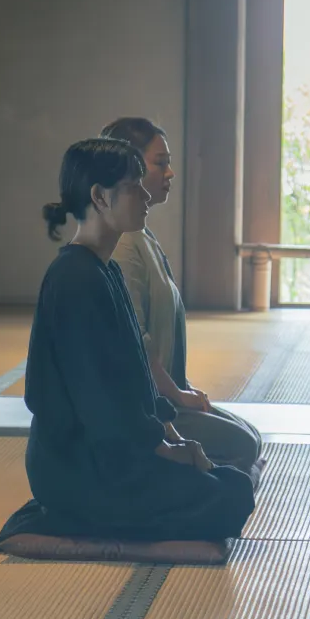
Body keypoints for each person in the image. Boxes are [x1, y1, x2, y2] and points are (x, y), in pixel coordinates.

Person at [0, 138, 255, 553]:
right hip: (81, 465)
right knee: (228, 496)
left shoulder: (104, 270)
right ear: (100, 196)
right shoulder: (76, 280)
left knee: (233, 483)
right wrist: (165, 451)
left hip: (113, 453)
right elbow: (99, 403)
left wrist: (173, 437)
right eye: (135, 186)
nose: (147, 194)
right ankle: (71, 523)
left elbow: (134, 378)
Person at [99, 117, 266, 482]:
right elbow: (136, 343)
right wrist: (175, 393)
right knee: (242, 447)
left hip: (166, 397)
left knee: (250, 438)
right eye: (160, 163)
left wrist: (183, 389)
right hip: (144, 408)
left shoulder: (142, 234)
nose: (170, 173)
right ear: (130, 167)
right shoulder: (123, 244)